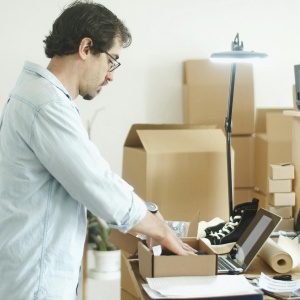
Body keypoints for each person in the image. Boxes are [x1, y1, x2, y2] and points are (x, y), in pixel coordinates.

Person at [0, 1, 195, 299]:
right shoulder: (46, 105)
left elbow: (89, 180)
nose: (111, 75)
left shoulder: (39, 97)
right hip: (36, 284)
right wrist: (161, 230)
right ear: (86, 48)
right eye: (111, 61)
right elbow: (96, 183)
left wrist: (147, 219)